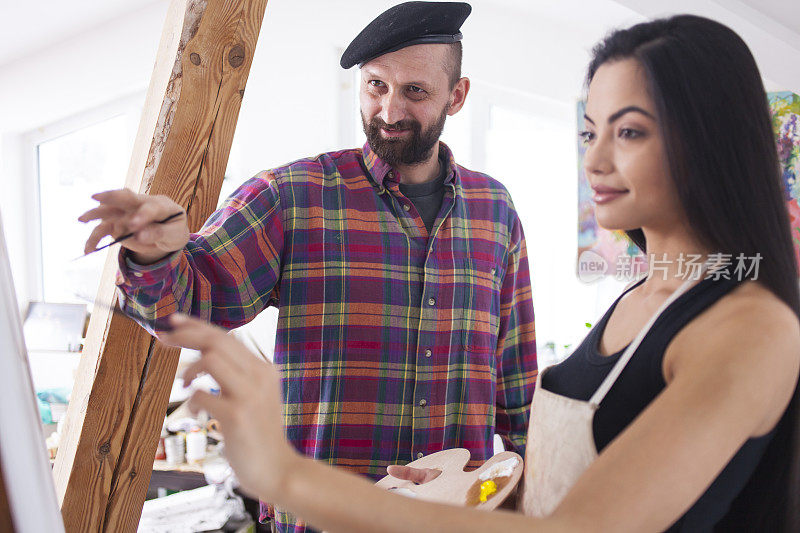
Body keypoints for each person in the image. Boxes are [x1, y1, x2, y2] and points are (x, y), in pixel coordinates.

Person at [159, 14, 800, 532]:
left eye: (629, 132)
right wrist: (463, 491)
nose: (596, 160)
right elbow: (548, 479)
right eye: (588, 131)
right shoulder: (642, 300)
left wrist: (291, 478)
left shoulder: (751, 325)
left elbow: (580, 517)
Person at [78, 2, 537, 531]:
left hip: (462, 516)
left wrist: (536, 492)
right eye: (375, 87)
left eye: (415, 91)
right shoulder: (291, 197)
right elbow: (187, 304)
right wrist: (152, 254)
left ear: (456, 96)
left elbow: (517, 375)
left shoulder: (495, 210)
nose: (388, 112)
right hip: (324, 517)